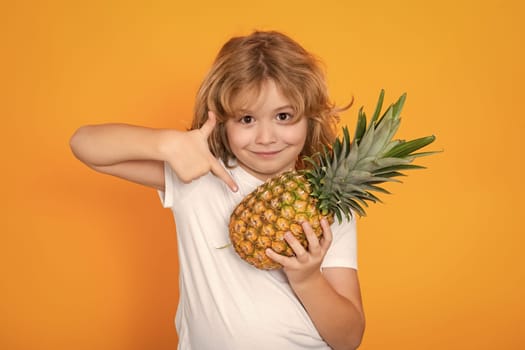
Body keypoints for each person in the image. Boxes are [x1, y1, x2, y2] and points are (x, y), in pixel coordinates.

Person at [70, 30, 365, 350]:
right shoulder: (198, 176)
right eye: (247, 119)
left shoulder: (327, 205)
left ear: (310, 118)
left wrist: (307, 279)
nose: (266, 137)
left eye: (283, 116)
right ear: (223, 122)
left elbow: (348, 339)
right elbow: (85, 145)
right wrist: (166, 144)